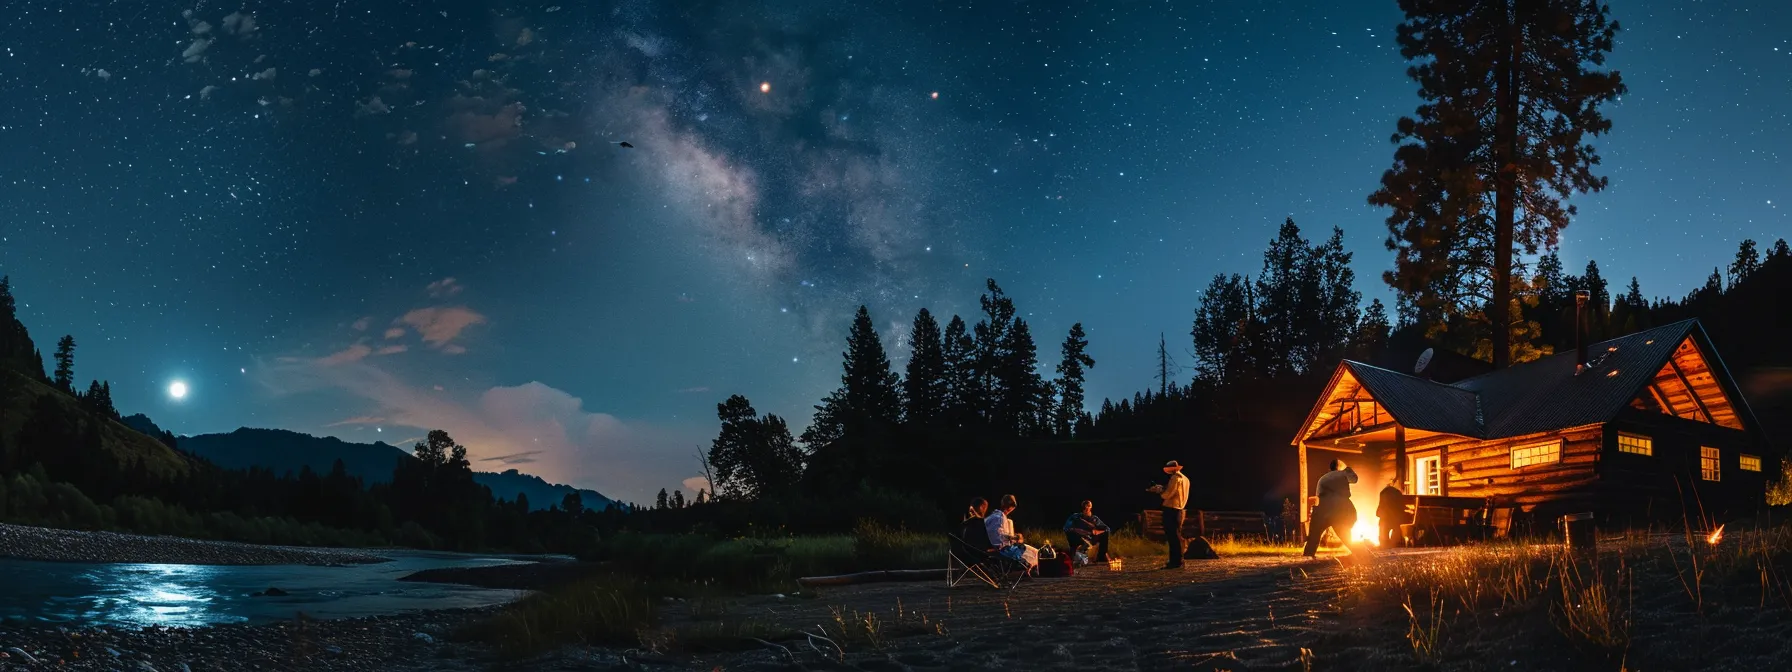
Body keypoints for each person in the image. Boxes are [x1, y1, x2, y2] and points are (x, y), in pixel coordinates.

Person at [1302, 459, 1360, 557]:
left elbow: (1318, 496)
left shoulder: (1323, 478)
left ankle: (1308, 556)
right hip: (1339, 508)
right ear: (1340, 467)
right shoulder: (1343, 474)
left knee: (1314, 537)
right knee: (1345, 535)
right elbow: (1354, 479)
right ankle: (1362, 554)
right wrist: (1348, 470)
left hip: (1322, 509)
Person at [1146, 460, 1190, 569]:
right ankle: (1179, 560)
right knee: (1177, 535)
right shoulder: (1185, 479)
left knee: (1172, 536)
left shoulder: (1175, 478)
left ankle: (1175, 562)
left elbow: (1168, 495)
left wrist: (1159, 491)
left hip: (1171, 509)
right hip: (1180, 509)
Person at [984, 494, 1039, 571]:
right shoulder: (999, 518)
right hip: (1000, 551)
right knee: (1029, 550)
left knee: (1026, 550)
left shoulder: (991, 517)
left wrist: (1012, 538)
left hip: (991, 548)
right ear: (1011, 508)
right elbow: (999, 538)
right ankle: (1024, 569)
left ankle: (1025, 568)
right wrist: (1016, 538)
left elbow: (998, 534)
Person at [1376, 480, 1409, 547]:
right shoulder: (1397, 494)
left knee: (1384, 537)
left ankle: (1387, 543)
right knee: (1394, 539)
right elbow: (1402, 508)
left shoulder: (1384, 494)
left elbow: (1378, 513)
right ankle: (1392, 543)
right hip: (1396, 521)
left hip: (1388, 520)